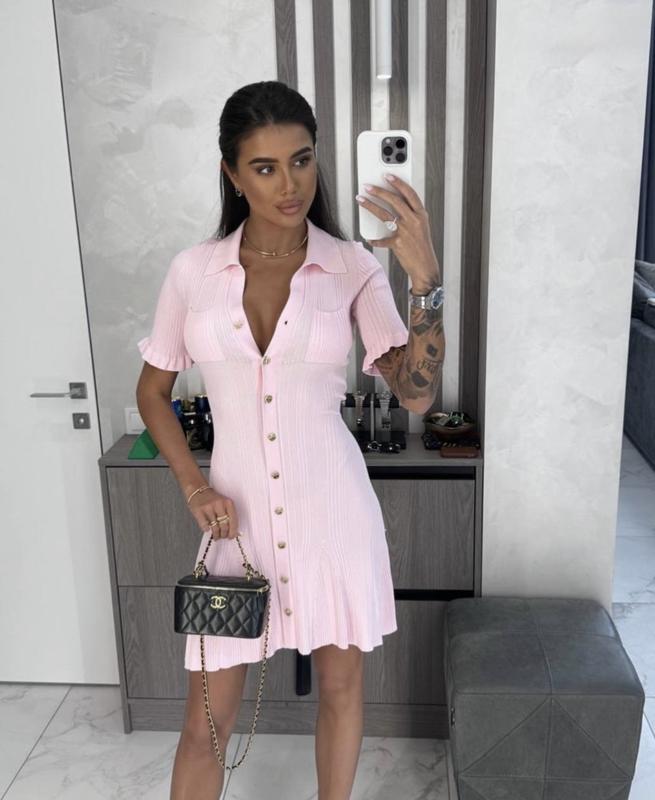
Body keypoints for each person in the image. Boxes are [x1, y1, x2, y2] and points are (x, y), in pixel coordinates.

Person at [136, 80, 444, 800]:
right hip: (233, 527)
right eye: (265, 167)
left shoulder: (351, 267)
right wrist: (193, 485)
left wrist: (425, 280)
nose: (289, 184)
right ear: (232, 174)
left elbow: (416, 393)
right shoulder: (193, 272)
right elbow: (153, 392)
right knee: (204, 725)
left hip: (334, 515)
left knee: (340, 689)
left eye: (301, 160)